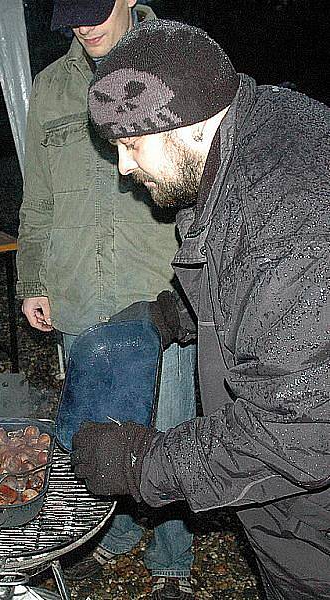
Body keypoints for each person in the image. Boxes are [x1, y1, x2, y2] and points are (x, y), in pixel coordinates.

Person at [72, 19, 330, 600]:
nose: (124, 167)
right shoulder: (256, 133)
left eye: (132, 144)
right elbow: (265, 297)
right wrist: (178, 315)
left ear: (187, 127)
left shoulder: (293, 211)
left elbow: (301, 432)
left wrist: (145, 465)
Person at [16, 2, 197, 597]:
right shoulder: (49, 87)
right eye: (70, 13)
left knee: (167, 428)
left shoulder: (173, 58)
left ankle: (172, 553)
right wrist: (31, 279)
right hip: (76, 287)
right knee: (92, 424)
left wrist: (201, 284)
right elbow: (38, 197)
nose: (83, 24)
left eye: (94, 7)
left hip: (155, 287)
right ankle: (106, 530)